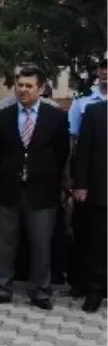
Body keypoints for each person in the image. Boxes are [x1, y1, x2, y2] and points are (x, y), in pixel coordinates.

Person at [0, 65, 69, 310]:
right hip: (10, 189)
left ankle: (41, 291)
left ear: (41, 88)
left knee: (41, 243)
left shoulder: (55, 117)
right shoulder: (3, 116)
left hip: (42, 191)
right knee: (4, 243)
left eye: (28, 86)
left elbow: (61, 153)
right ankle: (2, 288)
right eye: (19, 85)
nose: (22, 90)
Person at [72, 98, 108, 313]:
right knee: (98, 244)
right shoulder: (95, 111)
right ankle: (95, 291)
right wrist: (80, 184)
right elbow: (83, 151)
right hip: (101, 190)